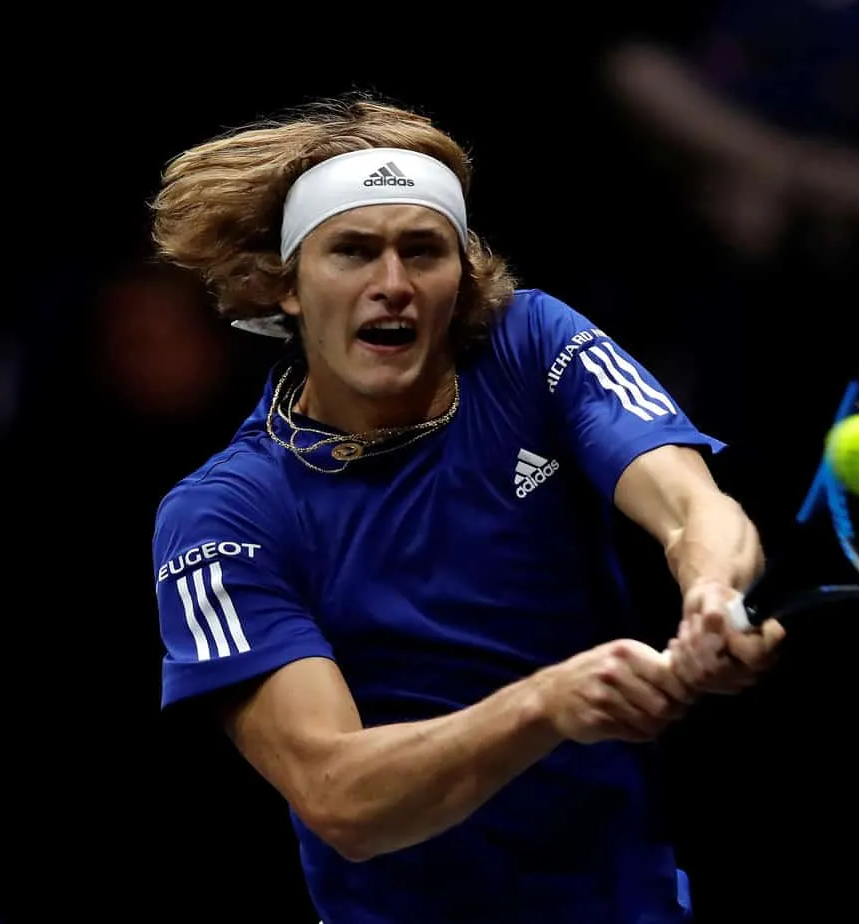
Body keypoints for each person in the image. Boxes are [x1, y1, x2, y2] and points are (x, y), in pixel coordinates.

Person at [148, 95, 785, 924]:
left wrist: (710, 594)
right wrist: (544, 706)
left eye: (423, 251)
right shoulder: (224, 515)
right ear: (287, 287)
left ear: (461, 274)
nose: (392, 286)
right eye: (351, 251)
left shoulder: (533, 346)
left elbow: (693, 506)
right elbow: (337, 796)